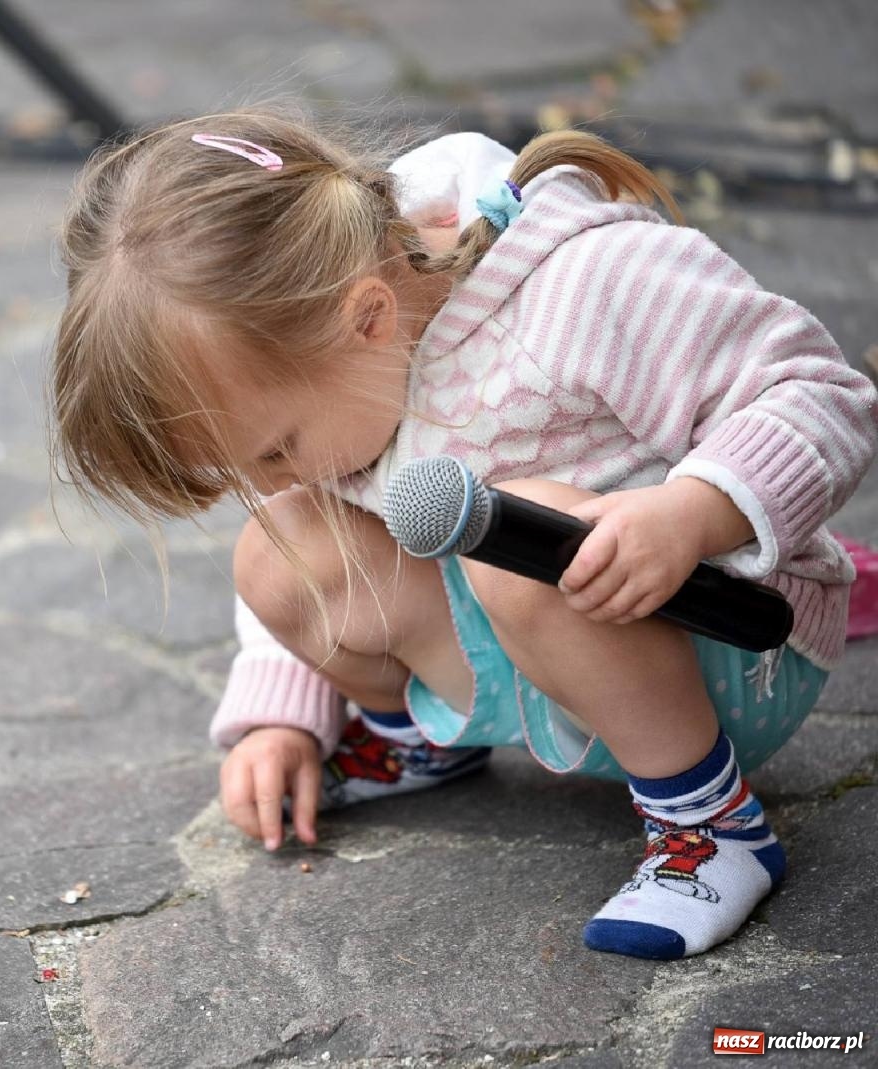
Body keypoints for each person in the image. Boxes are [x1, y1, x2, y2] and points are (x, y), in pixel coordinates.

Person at [48, 105, 878, 960]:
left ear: (368, 318)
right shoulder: (334, 352)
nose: (268, 482)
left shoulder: (583, 283)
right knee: (278, 548)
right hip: (534, 649)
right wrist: (284, 719)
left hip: (726, 652)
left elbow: (822, 393)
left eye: (275, 449)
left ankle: (708, 824)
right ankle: (421, 741)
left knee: (519, 539)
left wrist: (691, 512)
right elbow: (296, 529)